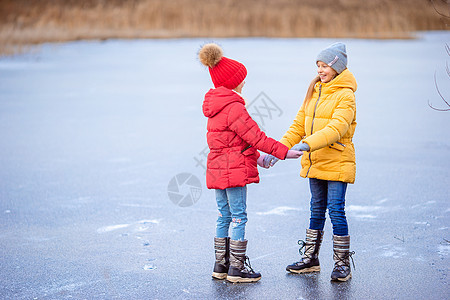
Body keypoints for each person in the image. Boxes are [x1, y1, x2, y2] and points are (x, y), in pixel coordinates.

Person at [198, 43, 302, 283]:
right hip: (233, 173)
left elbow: (235, 143)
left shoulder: (215, 108)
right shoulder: (233, 107)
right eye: (241, 80)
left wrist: (260, 159)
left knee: (224, 216)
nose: (244, 83)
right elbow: (256, 137)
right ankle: (236, 269)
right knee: (238, 217)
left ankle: (220, 266)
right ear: (233, 82)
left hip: (217, 170)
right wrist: (284, 152)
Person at [264, 42, 357, 282]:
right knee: (316, 210)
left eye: (325, 65)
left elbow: (337, 128)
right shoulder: (314, 91)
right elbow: (297, 126)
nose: (320, 70)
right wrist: (278, 150)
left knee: (336, 210)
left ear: (338, 67)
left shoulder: (346, 95)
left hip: (336, 160)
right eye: (318, 65)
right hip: (315, 161)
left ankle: (341, 263)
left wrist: (306, 144)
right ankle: (310, 259)